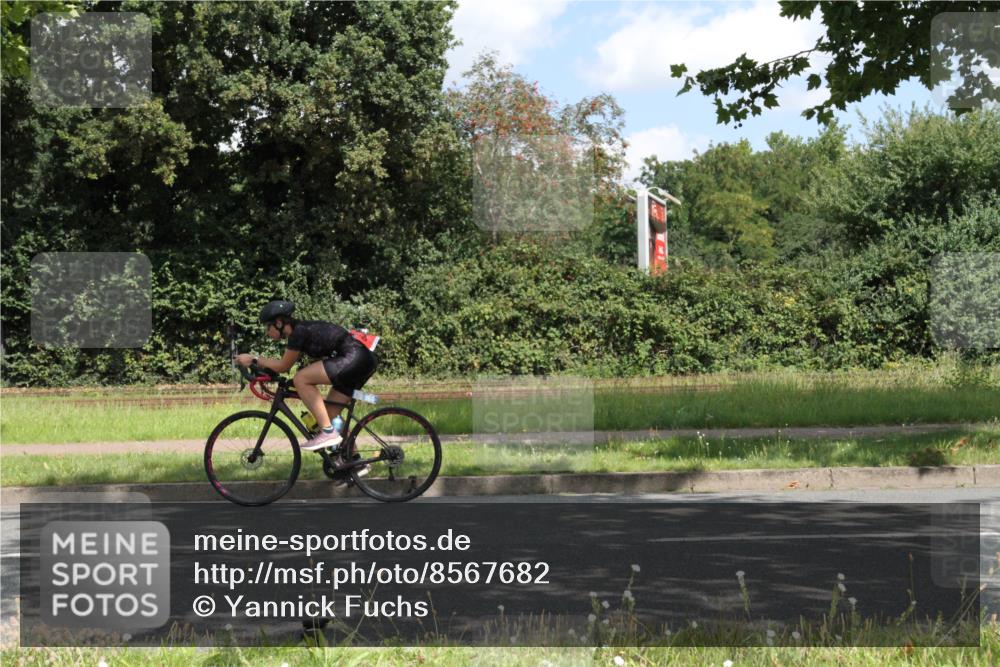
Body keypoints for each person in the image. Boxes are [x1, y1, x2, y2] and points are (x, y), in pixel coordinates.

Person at [233, 299, 377, 453]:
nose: (267, 332)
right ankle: (354, 459)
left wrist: (254, 359)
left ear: (279, 323)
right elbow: (289, 365)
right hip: (361, 360)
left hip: (353, 358)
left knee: (301, 379)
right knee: (328, 415)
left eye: (268, 327)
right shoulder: (302, 331)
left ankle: (328, 433)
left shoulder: (298, 332)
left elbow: (283, 366)